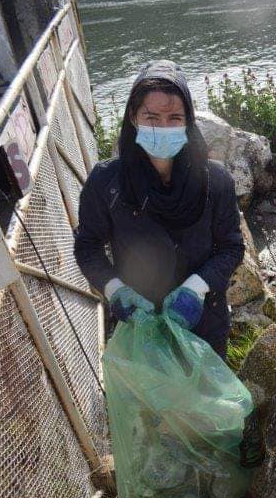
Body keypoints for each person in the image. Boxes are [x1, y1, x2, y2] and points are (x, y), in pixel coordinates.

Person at [74, 59, 244, 359]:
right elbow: (88, 246)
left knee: (204, 401)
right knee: (152, 402)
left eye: (174, 118)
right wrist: (115, 290)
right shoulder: (106, 183)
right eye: (151, 117)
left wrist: (198, 287)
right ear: (133, 117)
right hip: (141, 325)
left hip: (204, 320)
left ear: (188, 120)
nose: (162, 128)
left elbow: (231, 247)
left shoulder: (215, 181)